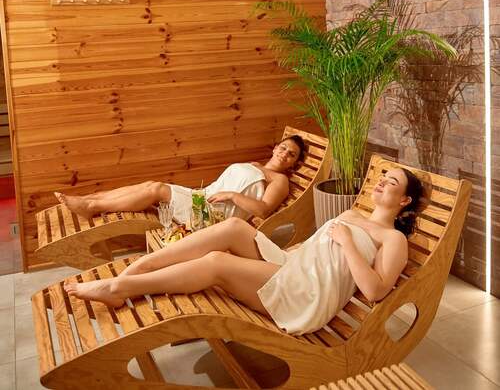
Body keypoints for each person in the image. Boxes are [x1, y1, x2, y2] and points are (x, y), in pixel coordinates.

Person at [64, 166, 424, 335]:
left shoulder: (393, 239)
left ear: (404, 201)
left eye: (391, 181)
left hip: (306, 292)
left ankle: (120, 287)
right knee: (234, 228)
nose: (381, 181)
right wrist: (303, 248)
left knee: (217, 262)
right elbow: (316, 250)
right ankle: (140, 268)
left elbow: (376, 290)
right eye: (382, 176)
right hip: (294, 265)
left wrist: (346, 243)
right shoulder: (350, 213)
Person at [54, 135, 306, 223]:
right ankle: (89, 199)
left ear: (294, 163)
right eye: (283, 147)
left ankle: (92, 206)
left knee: (157, 190)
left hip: (212, 216)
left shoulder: (279, 181)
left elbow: (263, 210)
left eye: (291, 154)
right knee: (150, 185)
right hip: (204, 198)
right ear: (275, 147)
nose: (285, 153)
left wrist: (232, 195)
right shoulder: (254, 166)